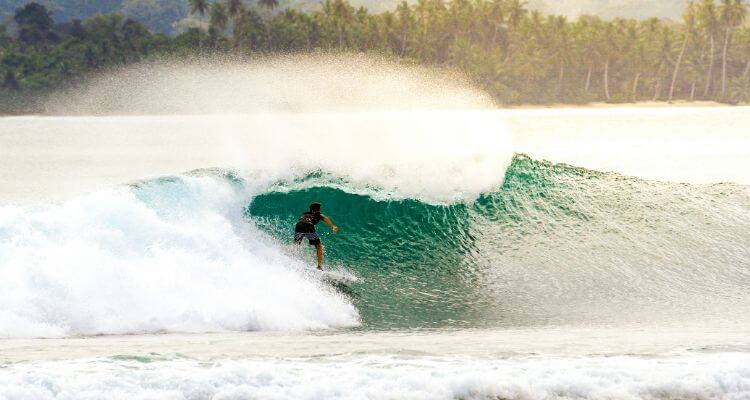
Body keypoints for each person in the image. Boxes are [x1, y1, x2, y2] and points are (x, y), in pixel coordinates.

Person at [294, 202, 338, 270]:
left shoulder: (305, 213)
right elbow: (326, 218)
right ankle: (319, 266)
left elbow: (302, 221)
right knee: (318, 246)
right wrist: (333, 227)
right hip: (308, 225)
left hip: (298, 225)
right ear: (318, 210)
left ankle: (290, 256)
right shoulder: (319, 214)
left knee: (296, 244)